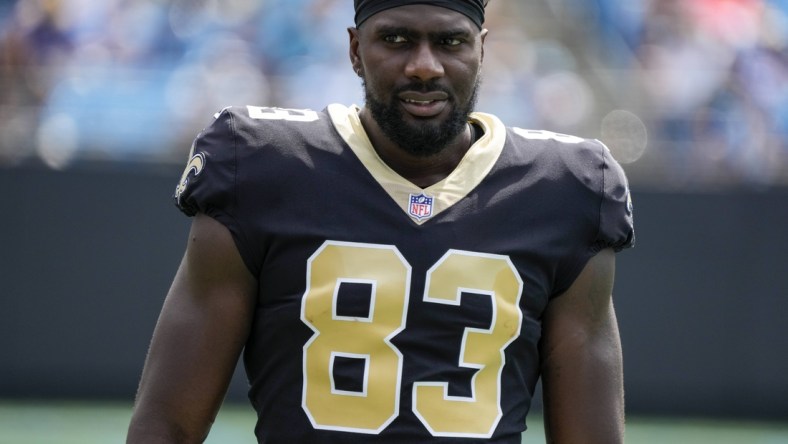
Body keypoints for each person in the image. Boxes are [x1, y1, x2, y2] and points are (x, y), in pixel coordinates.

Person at [126, 0, 635, 442]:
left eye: (450, 41)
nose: (423, 66)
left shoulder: (565, 189)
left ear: (482, 49)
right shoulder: (263, 165)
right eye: (395, 39)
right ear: (354, 49)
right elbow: (168, 425)